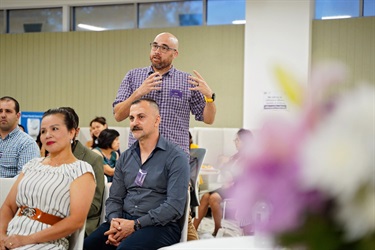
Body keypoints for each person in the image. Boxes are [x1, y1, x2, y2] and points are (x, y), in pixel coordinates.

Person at [84, 98, 190, 250]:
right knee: (86, 246)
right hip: (123, 221)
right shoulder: (125, 157)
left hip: (160, 226)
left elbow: (174, 207)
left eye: (141, 117)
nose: (134, 122)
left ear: (156, 120)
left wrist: (135, 225)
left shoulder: (176, 157)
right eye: (132, 118)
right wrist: (115, 222)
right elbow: (114, 198)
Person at [0, 108, 96, 250]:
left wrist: (26, 240)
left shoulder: (81, 170)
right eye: (43, 131)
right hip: (12, 236)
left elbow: (76, 221)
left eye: (54, 129)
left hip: (48, 242)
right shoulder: (32, 165)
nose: (47, 135)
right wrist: (2, 236)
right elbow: (8, 206)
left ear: (72, 132)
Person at [113, 32, 216, 155]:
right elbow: (118, 115)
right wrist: (138, 93)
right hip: (140, 154)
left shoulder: (187, 81)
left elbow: (208, 119)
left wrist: (209, 97)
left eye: (164, 48)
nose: (157, 51)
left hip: (174, 156)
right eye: (155, 46)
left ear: (175, 53)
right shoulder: (133, 76)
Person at [193, 129, 253, 236]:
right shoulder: (236, 156)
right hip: (228, 186)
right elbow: (223, 169)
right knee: (205, 197)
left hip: (238, 188)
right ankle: (193, 229)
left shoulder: (250, 157)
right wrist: (222, 163)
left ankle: (217, 229)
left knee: (214, 198)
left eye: (237, 140)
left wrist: (232, 177)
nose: (236, 142)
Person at [60, 107, 105, 237]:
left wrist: (57, 210)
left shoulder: (92, 159)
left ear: (75, 131)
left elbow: (94, 205)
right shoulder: (46, 160)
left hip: (82, 224)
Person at [0, 96, 40, 178]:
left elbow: (25, 178)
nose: (3, 115)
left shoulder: (27, 144)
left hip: (9, 190)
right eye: (0, 111)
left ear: (17, 116)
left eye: (8, 111)